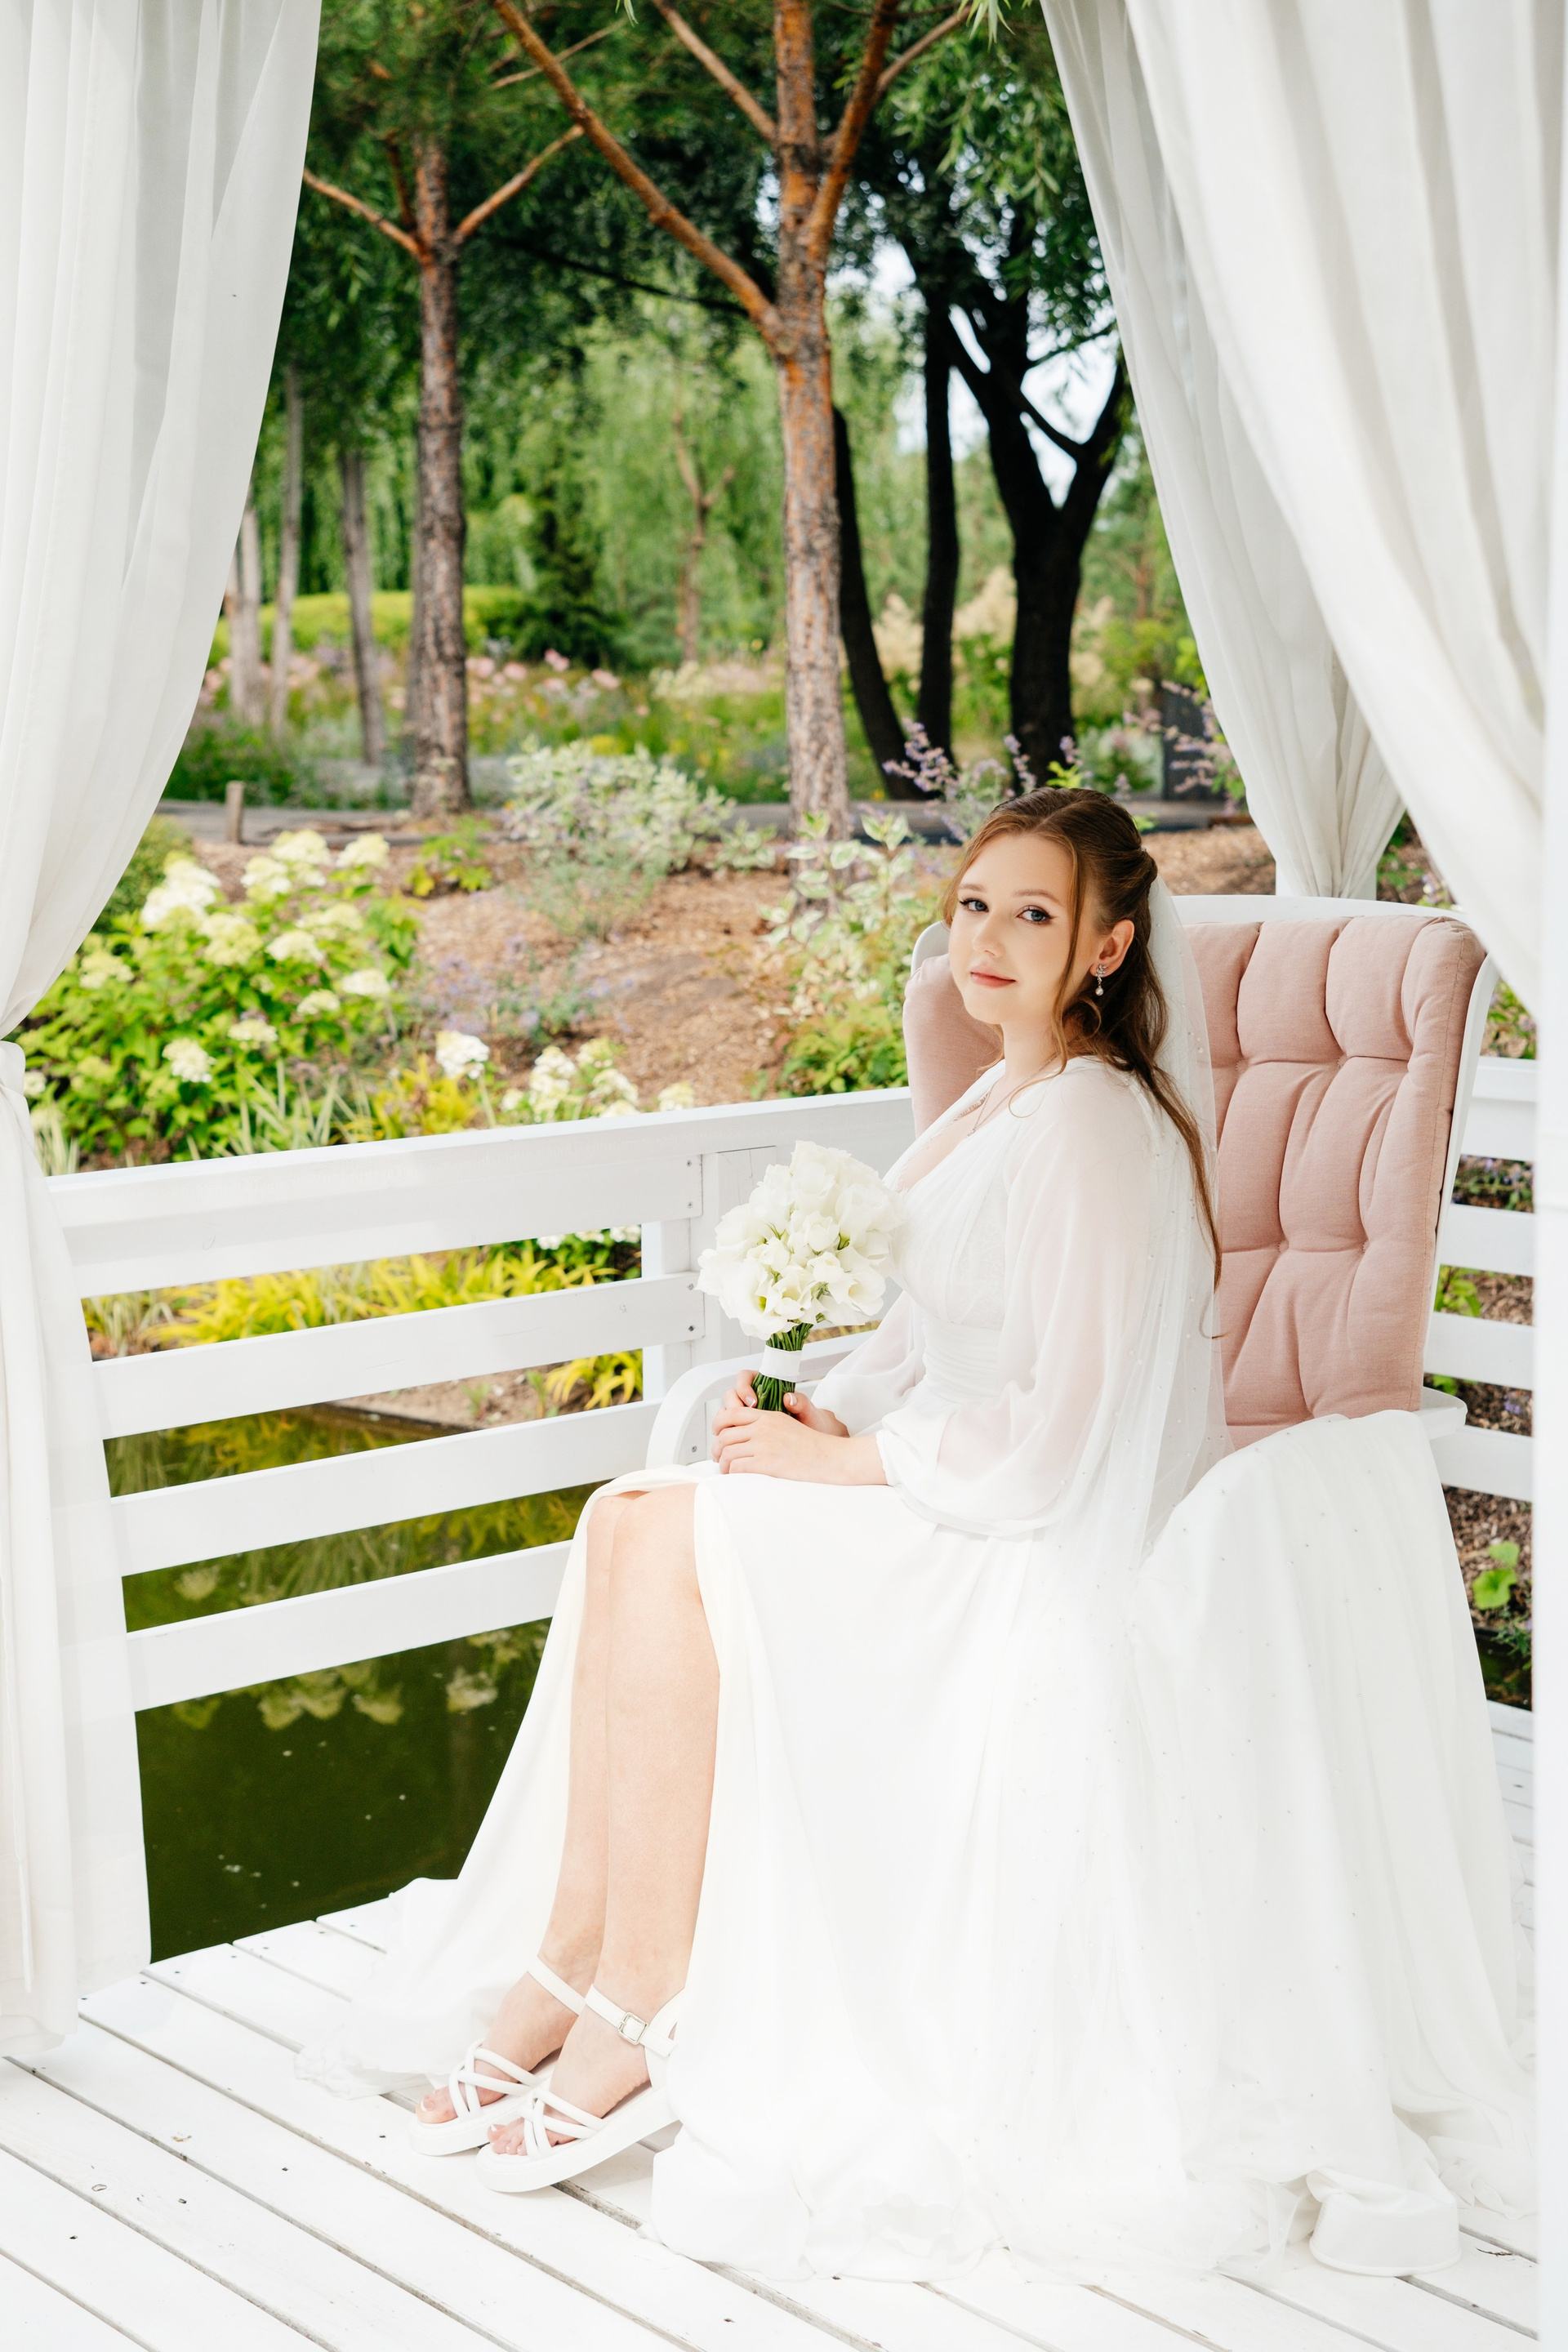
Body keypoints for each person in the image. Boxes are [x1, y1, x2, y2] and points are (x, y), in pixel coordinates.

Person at [303, 790, 1531, 2283]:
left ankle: (639, 1989)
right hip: (934, 1482)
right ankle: (573, 1959)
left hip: (1012, 1538)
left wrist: (848, 1468)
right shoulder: (996, 1100)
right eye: (973, 906)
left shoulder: (1095, 1123)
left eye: (1035, 914)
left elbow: (1063, 1426)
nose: (989, 939)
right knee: (630, 1517)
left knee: (672, 1535)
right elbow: (929, 1336)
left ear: (1107, 947)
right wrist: (824, 1408)